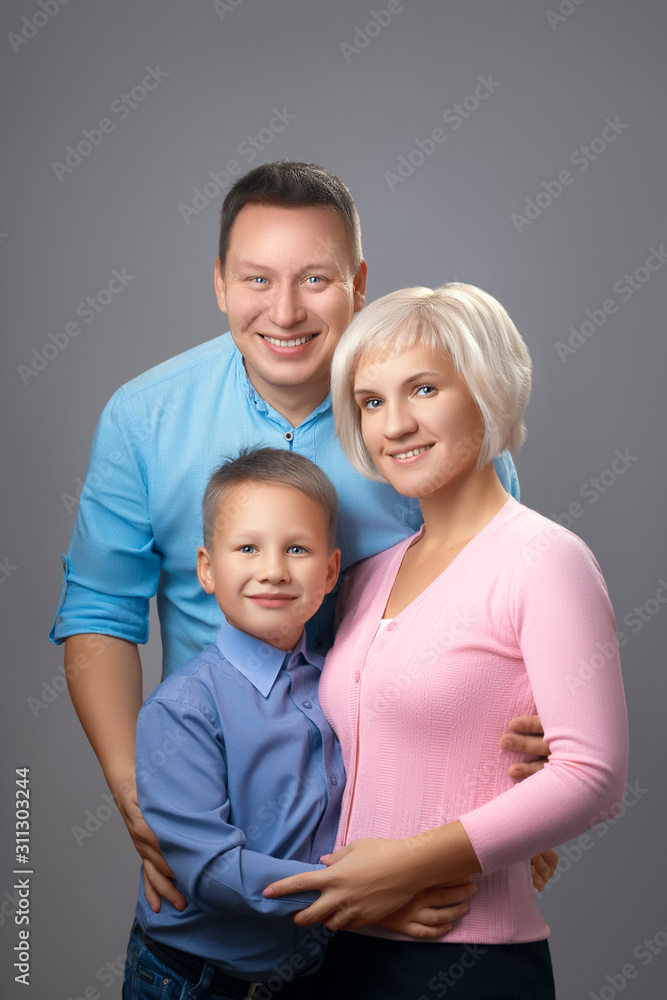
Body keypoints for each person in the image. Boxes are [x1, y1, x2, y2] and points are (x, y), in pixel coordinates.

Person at [49, 161, 551, 911]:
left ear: (359, 283)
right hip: (227, 831)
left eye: (315, 279)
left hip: (407, 836)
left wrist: (522, 796)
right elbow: (99, 614)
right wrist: (139, 794)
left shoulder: (434, 424)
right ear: (219, 282)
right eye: (257, 279)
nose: (283, 313)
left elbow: (507, 614)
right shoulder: (143, 418)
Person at [264, 283, 630, 999]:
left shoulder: (545, 560)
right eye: (371, 402)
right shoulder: (368, 575)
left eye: (424, 389)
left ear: (486, 391)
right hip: (339, 950)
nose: (395, 424)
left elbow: (592, 777)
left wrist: (406, 867)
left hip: (466, 962)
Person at [124, 448, 471, 1000]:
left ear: (331, 571)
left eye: (297, 549)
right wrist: (360, 899)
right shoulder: (184, 708)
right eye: (247, 548)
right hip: (192, 979)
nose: (273, 571)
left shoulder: (343, 684)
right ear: (207, 569)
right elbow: (212, 872)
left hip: (303, 975)